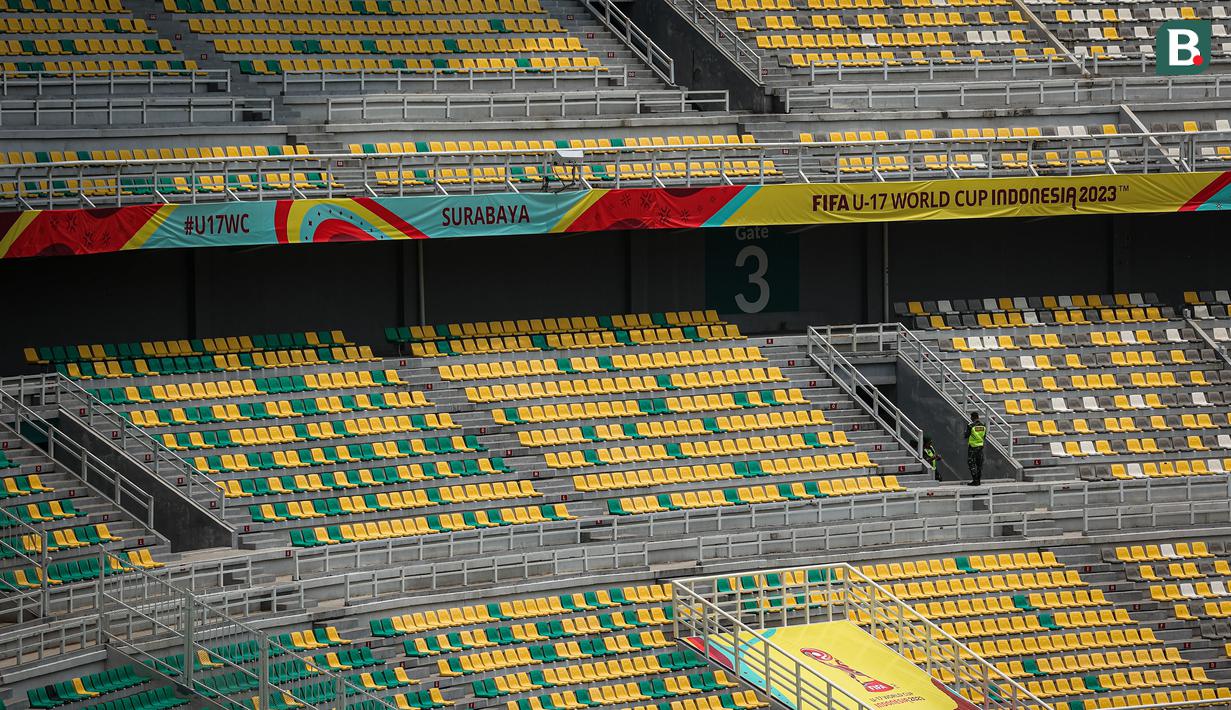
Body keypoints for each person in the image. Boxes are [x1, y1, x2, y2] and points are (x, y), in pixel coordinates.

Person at [963, 413, 986, 486]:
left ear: (973, 417)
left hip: (972, 447)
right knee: (979, 464)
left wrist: (966, 430)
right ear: (978, 417)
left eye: (971, 417)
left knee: (971, 463)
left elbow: (966, 435)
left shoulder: (971, 426)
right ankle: (978, 481)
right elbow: (984, 436)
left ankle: (975, 480)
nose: (971, 418)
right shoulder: (983, 426)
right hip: (980, 447)